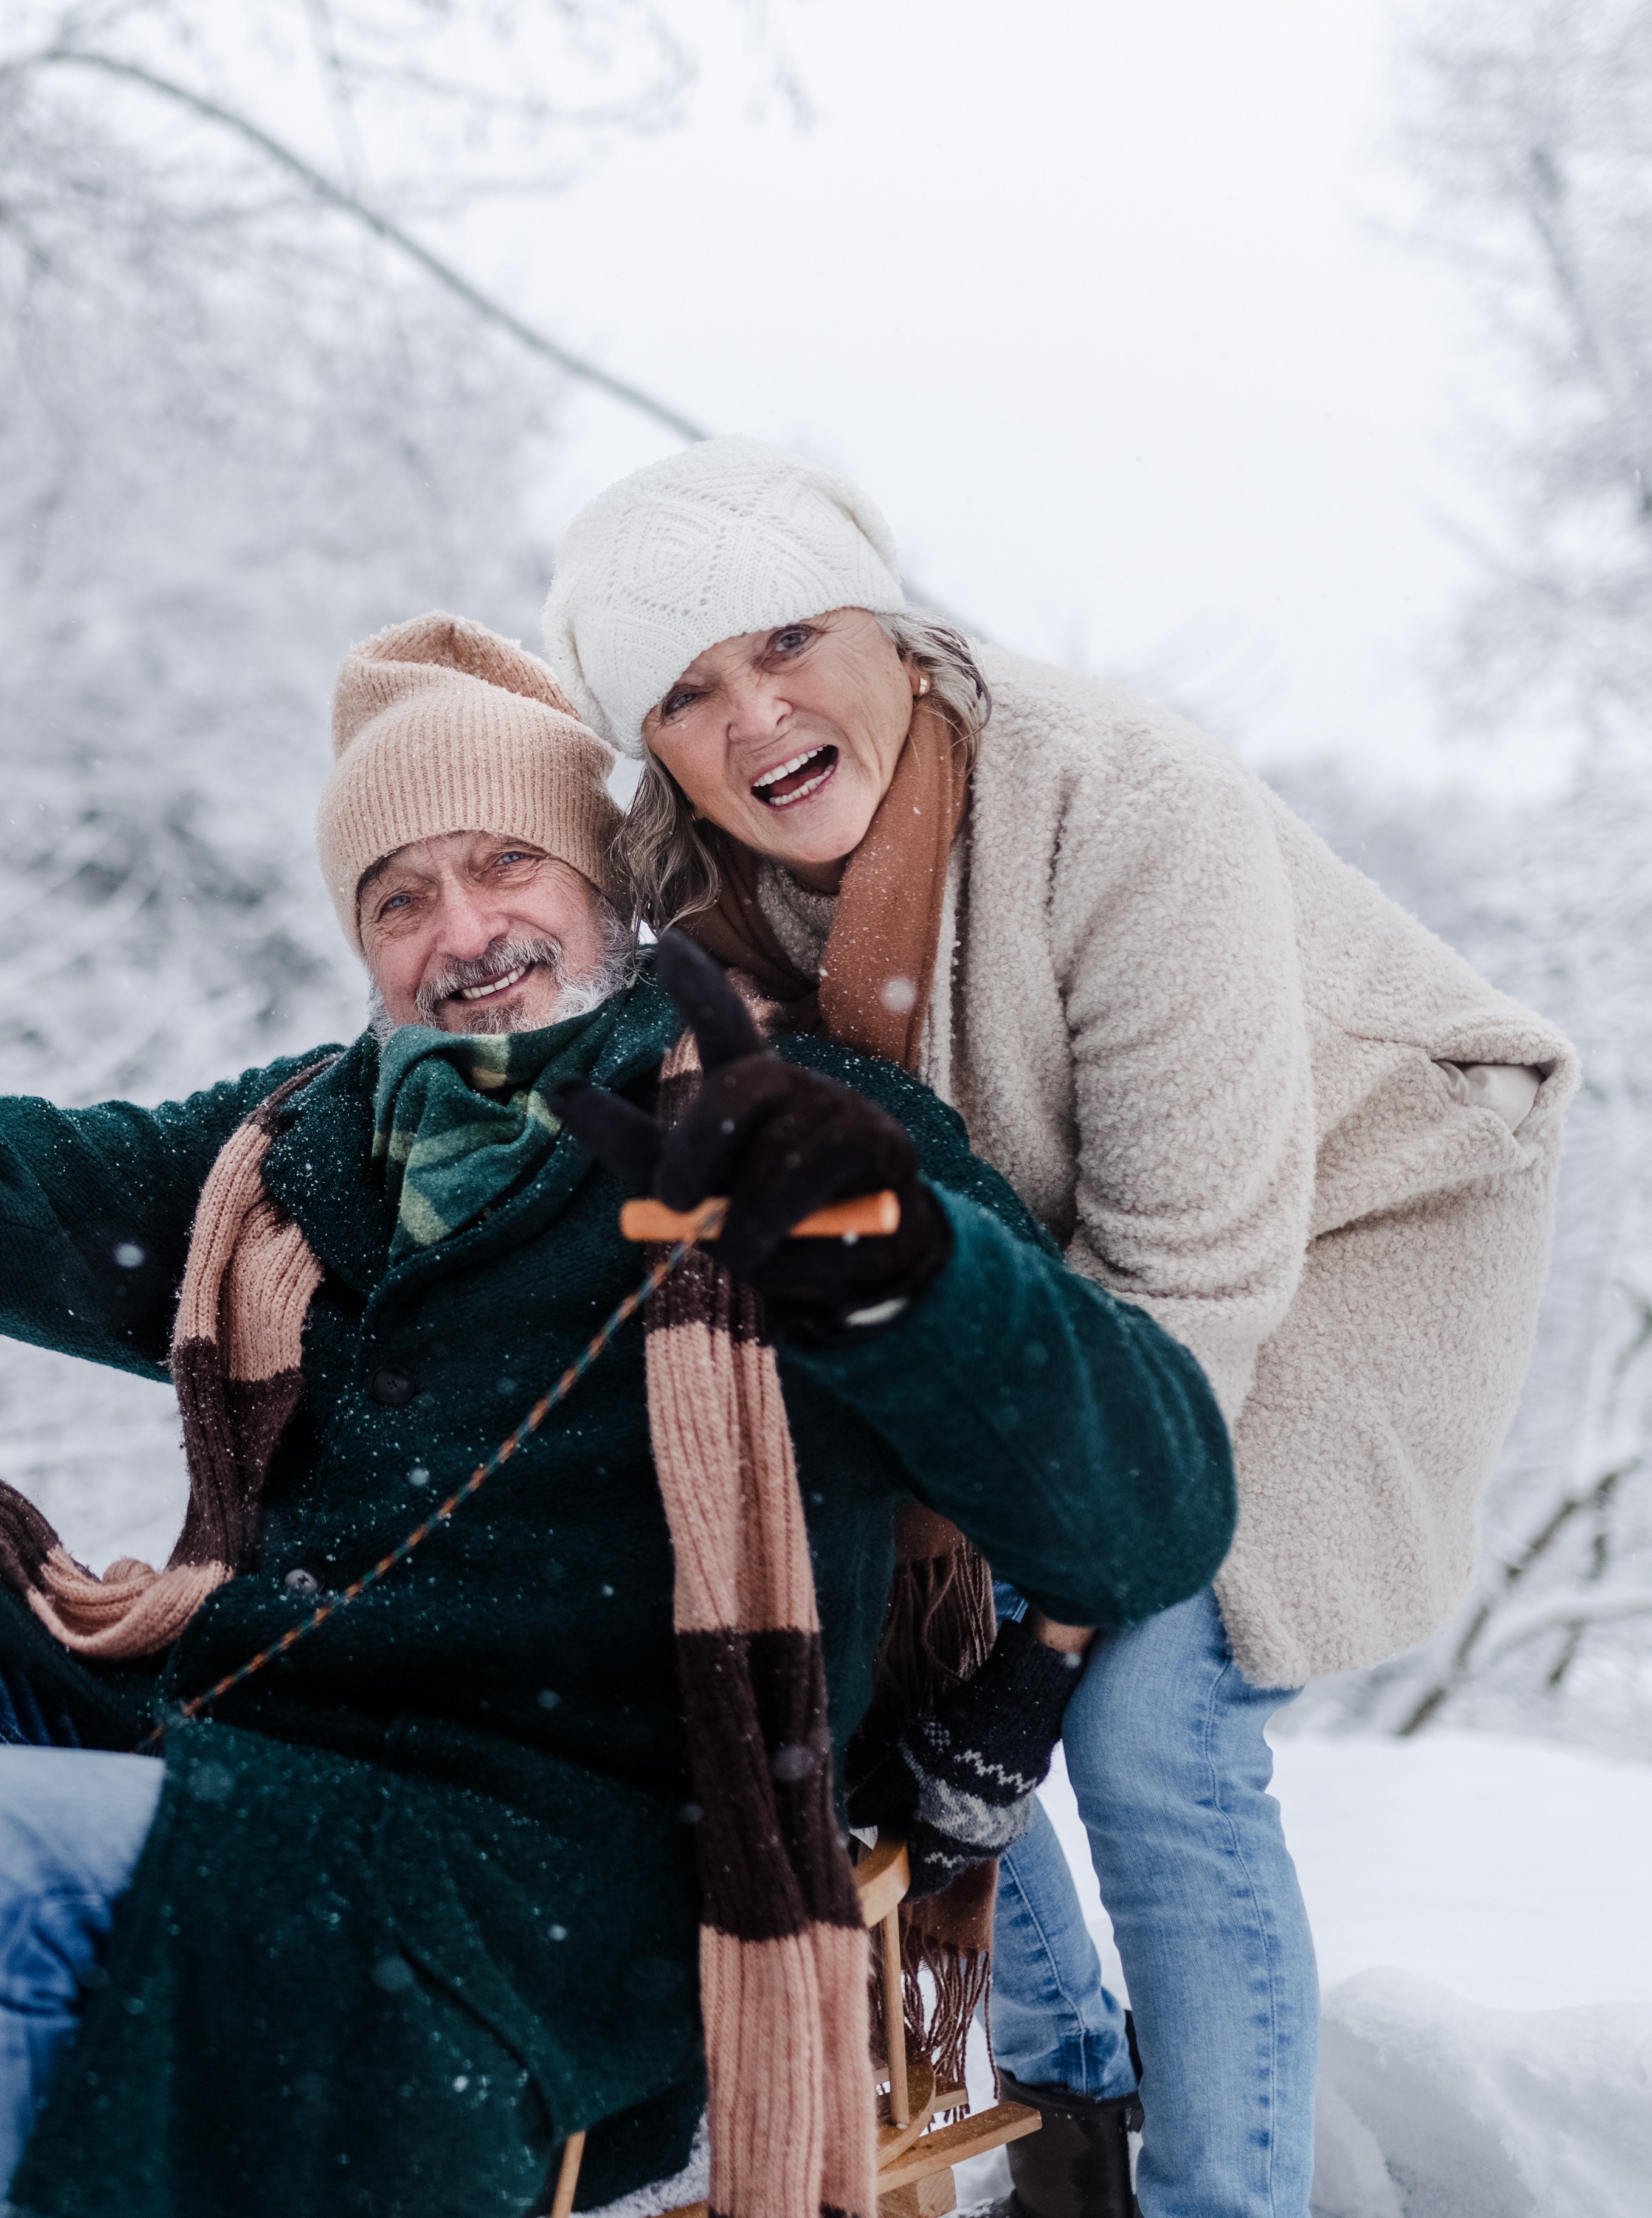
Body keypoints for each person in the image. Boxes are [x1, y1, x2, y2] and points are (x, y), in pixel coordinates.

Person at [0, 536, 1240, 2218]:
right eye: (400, 895)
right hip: (231, 1753)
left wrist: (879, 1251)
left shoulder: (802, 1132)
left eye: (507, 861)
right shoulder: (288, 1162)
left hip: (556, 1885)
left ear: (601, 885)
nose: (465, 930)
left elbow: (1148, 1501)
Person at [541, 440, 1575, 2218]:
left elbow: (1192, 1294)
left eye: (789, 638)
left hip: (1335, 1229)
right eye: (690, 691)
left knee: (1146, 1716)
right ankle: (1068, 2130)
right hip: (1052, 1279)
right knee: (888, 1643)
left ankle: (1224, 2200)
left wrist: (1040, 1659)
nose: (756, 713)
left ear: (893, 624)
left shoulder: (1119, 801)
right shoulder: (705, 912)